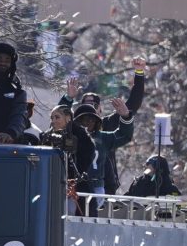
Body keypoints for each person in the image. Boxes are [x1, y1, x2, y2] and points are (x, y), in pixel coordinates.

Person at [59, 57, 147, 194]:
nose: (89, 112)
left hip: (105, 185)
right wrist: (68, 98)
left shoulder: (107, 124)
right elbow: (59, 118)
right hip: (75, 185)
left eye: (93, 105)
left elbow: (133, 104)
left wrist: (139, 72)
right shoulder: (74, 129)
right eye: (85, 105)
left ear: (100, 109)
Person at [73, 101, 134, 211]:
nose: (89, 123)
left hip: (97, 187)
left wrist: (126, 116)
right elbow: (56, 124)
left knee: (91, 218)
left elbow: (124, 136)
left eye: (92, 119)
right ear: (76, 122)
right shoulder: (70, 138)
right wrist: (68, 99)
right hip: (73, 187)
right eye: (85, 119)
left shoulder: (102, 138)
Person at [40, 104, 95, 215]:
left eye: (57, 117)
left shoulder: (81, 135)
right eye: (52, 118)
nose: (54, 121)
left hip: (77, 188)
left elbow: (85, 160)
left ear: (68, 117)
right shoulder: (48, 135)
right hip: (53, 186)